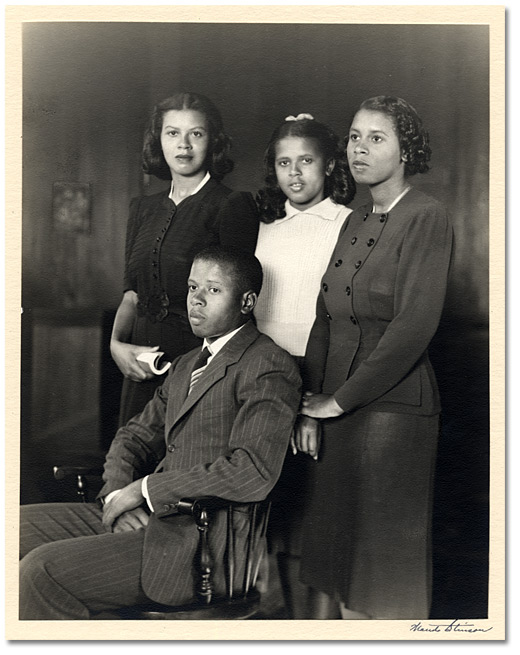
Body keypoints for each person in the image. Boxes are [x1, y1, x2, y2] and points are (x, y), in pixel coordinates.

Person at [19, 247, 301, 620]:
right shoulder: (186, 365)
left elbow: (253, 471)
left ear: (247, 301)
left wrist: (144, 490)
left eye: (213, 291)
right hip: (146, 521)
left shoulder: (267, 364)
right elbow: (132, 437)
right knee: (14, 529)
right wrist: (117, 498)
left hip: (199, 543)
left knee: (41, 571)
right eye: (192, 287)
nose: (196, 300)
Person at [296, 96, 454, 620]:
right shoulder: (356, 220)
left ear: (407, 150)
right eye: (354, 137)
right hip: (337, 412)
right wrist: (310, 407)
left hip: (393, 414)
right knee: (341, 575)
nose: (359, 149)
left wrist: (338, 402)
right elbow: (325, 316)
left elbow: (414, 327)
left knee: (381, 581)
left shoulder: (426, 216)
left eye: (376, 139)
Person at [254, 114, 356, 618]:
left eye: (307, 162)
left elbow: (344, 324)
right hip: (264, 380)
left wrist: (313, 405)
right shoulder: (264, 229)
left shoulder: (348, 225)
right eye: (284, 163)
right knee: (274, 514)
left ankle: (321, 630)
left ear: (329, 165)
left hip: (320, 377)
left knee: (316, 519)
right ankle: (282, 626)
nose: (294, 174)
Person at [110, 92, 259, 426]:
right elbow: (131, 295)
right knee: (131, 461)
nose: (184, 145)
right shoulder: (142, 208)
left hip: (200, 366)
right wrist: (116, 345)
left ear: (213, 141)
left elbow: (235, 305)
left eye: (196, 134)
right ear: (158, 140)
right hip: (139, 364)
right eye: (172, 133)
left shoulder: (231, 204)